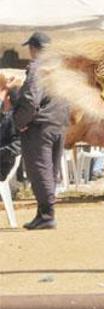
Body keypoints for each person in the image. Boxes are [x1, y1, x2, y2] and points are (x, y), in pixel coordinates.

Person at [14, 32, 69, 230]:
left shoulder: (38, 67)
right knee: (50, 170)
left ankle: (47, 215)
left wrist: (20, 121)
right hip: (59, 123)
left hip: (40, 126)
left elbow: (30, 100)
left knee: (39, 170)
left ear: (33, 48)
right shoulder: (60, 68)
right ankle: (42, 213)